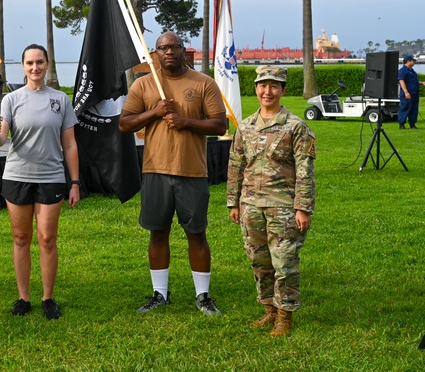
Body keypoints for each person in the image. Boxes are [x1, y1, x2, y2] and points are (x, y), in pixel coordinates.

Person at [119, 31, 228, 316]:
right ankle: (160, 294)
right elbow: (125, 123)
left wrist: (186, 121)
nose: (169, 51)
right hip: (155, 169)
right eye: (162, 48)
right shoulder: (144, 84)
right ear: (155, 54)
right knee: (157, 233)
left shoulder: (204, 83)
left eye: (174, 47)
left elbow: (219, 125)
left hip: (192, 171)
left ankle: (203, 296)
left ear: (183, 51)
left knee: (196, 233)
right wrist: (154, 113)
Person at [0, 44, 80, 320]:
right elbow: (1, 141)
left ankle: (48, 298)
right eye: (29, 63)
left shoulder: (61, 100)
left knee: (47, 238)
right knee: (20, 238)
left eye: (39, 62)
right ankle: (23, 297)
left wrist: (74, 181)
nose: (35, 67)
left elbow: (70, 144)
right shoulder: (11, 100)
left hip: (51, 177)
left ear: (47, 64)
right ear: (23, 67)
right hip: (17, 176)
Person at [227, 65, 316, 337]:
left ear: (283, 90)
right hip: (251, 205)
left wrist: (302, 208)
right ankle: (268, 310)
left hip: (283, 208)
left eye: (274, 86)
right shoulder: (246, 126)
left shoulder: (296, 127)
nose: (268, 91)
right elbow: (236, 165)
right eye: (263, 85)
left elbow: (305, 170)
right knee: (259, 261)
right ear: (255, 89)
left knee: (284, 263)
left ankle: (284, 316)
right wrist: (234, 202)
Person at [397, 54, 425, 130]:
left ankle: (412, 124)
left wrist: (421, 83)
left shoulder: (411, 70)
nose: (414, 62)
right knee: (405, 108)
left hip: (414, 94)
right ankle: (402, 124)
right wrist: (406, 92)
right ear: (408, 61)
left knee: (414, 109)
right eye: (413, 61)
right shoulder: (402, 71)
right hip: (407, 94)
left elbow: (413, 81)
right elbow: (402, 81)